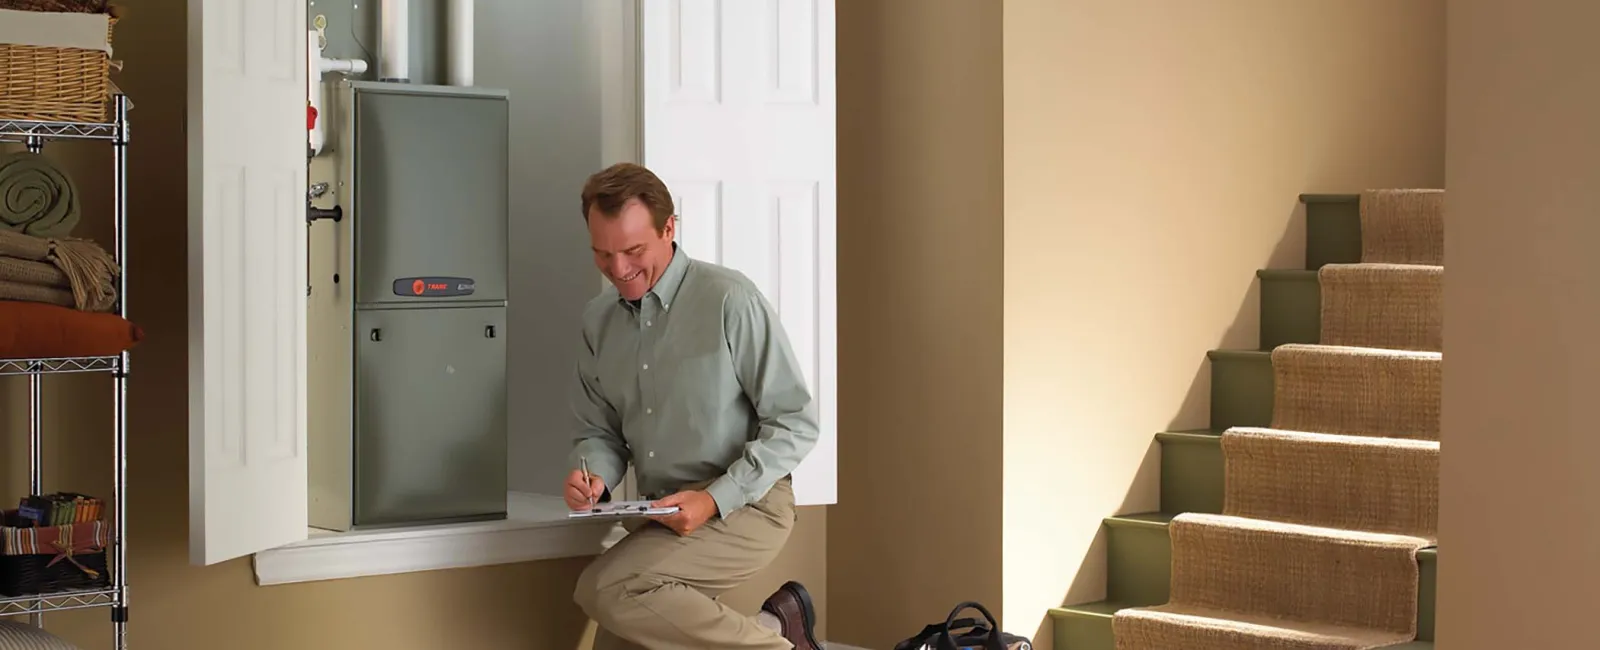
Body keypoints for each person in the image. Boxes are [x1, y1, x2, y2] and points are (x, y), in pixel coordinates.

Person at [564, 162, 823, 650]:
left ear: (669, 228)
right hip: (662, 517)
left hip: (748, 506)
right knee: (616, 630)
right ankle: (774, 627)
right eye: (603, 254)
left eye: (633, 251)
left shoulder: (729, 299)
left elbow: (795, 423)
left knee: (606, 588)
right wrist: (593, 475)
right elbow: (599, 431)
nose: (618, 270)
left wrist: (714, 498)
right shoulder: (597, 321)